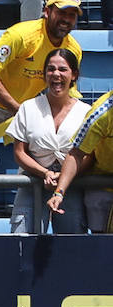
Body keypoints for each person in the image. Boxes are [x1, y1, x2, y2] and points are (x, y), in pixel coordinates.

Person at [0, 0, 83, 233]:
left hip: (25, 104)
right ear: (47, 12)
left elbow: (70, 90)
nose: (66, 19)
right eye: (61, 13)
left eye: (72, 15)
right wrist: (19, 110)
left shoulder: (73, 49)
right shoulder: (21, 35)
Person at [8, 50, 90, 234]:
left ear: (74, 75)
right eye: (51, 69)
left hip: (71, 185)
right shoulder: (28, 108)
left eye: (63, 69)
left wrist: (63, 178)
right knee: (21, 239)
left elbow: (89, 156)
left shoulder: (86, 112)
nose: (56, 74)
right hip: (31, 182)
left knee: (72, 245)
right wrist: (45, 173)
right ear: (44, 74)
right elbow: (19, 152)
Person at [49, 89, 113, 232]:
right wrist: (59, 193)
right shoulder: (101, 113)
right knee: (102, 249)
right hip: (102, 192)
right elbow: (76, 154)